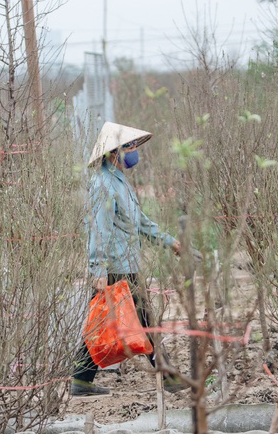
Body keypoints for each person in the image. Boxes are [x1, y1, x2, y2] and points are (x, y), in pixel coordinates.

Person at [71, 122, 188, 396]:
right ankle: (168, 377)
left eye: (135, 146)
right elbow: (98, 229)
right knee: (143, 320)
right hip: (115, 268)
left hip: (126, 264)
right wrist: (98, 269)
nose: (134, 151)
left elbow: (141, 223)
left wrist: (170, 243)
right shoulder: (103, 185)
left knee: (102, 322)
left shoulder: (119, 181)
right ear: (114, 152)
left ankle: (81, 379)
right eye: (130, 146)